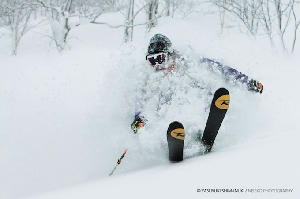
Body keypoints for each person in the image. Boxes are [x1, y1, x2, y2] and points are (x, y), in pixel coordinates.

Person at [131, 34, 263, 134]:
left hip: (199, 103)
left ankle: (202, 129)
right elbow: (142, 102)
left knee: (198, 89)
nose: (158, 65)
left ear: (172, 55)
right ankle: (177, 137)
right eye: (152, 61)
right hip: (173, 121)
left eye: (161, 58)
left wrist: (246, 81)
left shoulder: (189, 62)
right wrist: (139, 119)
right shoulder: (152, 80)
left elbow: (221, 69)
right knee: (161, 107)